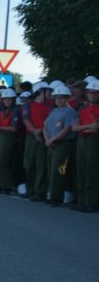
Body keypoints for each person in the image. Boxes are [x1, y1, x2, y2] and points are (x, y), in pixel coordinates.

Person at [43, 84, 77, 207]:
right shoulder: (54, 111)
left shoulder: (70, 111)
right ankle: (51, 193)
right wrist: (47, 139)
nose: (59, 100)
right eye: (57, 97)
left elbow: (67, 129)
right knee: (50, 169)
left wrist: (51, 140)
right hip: (51, 143)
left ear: (67, 98)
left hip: (63, 143)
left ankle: (56, 197)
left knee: (58, 170)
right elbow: (45, 126)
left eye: (62, 97)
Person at [71, 81, 99, 212]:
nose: (92, 95)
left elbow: (95, 129)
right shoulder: (82, 109)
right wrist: (88, 126)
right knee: (81, 170)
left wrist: (83, 128)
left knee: (91, 171)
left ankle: (91, 202)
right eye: (90, 92)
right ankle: (81, 200)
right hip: (82, 141)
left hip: (94, 141)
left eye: (95, 93)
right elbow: (74, 127)